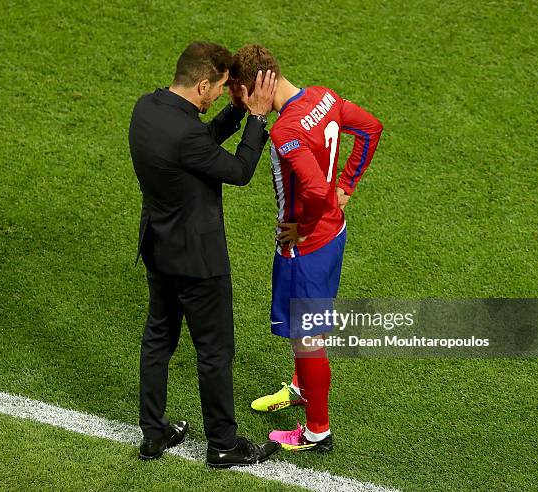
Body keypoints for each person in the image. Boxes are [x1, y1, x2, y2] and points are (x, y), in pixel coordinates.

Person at [128, 41, 280, 467]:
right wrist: (257, 116)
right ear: (202, 84)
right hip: (197, 261)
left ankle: (154, 432)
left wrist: (234, 110)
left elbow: (199, 148)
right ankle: (223, 444)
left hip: (158, 249)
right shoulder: (187, 133)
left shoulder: (147, 109)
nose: (218, 96)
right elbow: (238, 170)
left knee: (158, 340)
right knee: (214, 352)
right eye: (218, 90)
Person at [229, 45, 383, 451]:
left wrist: (302, 228)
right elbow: (371, 128)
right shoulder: (323, 96)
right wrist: (347, 186)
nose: (240, 104)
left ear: (252, 87)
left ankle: (317, 431)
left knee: (307, 337)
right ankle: (301, 388)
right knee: (305, 330)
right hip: (335, 234)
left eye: (238, 95)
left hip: (307, 248)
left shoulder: (286, 130)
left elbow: (314, 189)